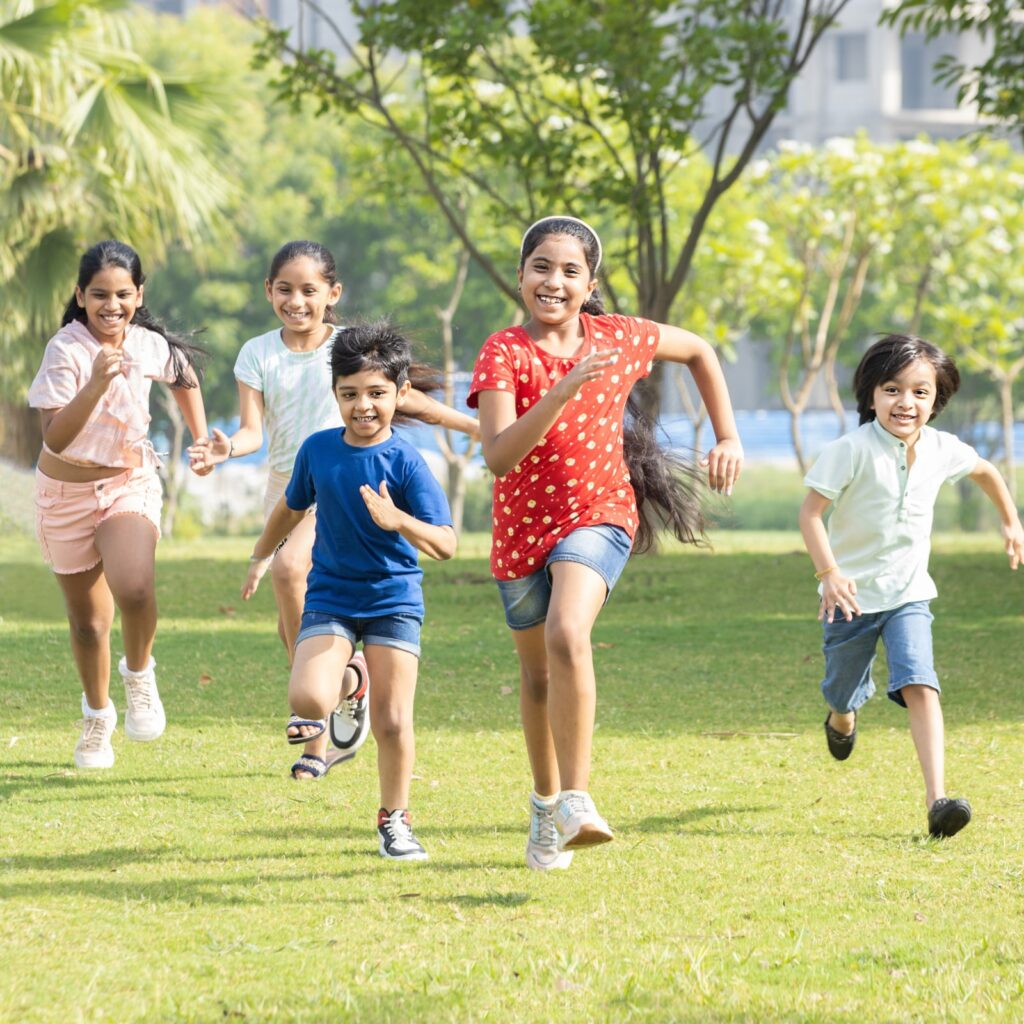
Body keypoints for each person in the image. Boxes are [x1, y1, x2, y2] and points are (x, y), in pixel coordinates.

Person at [468, 215, 744, 870]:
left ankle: (577, 798)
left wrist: (726, 435)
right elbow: (501, 457)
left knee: (569, 633)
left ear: (590, 282)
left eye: (570, 271)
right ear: (521, 274)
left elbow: (700, 350)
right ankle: (545, 807)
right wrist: (562, 390)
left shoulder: (619, 337)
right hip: (519, 533)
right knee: (536, 678)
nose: (554, 281)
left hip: (599, 515)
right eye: (541, 266)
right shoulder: (503, 351)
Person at [188, 240, 478, 780]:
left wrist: (477, 428)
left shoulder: (349, 349)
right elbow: (253, 431)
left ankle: (320, 723)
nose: (296, 300)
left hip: (340, 480)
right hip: (290, 479)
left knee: (289, 567)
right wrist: (226, 449)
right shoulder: (256, 353)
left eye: (309, 290)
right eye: (284, 289)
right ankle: (341, 688)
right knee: (290, 620)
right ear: (268, 291)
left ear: (332, 293)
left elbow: (408, 398)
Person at [242, 320, 456, 860]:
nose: (364, 406)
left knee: (392, 721)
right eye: (350, 394)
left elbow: (447, 543)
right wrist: (260, 556)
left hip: (393, 600)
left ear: (400, 394)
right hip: (332, 596)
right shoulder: (318, 451)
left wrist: (398, 520)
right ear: (333, 393)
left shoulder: (407, 460)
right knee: (306, 699)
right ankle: (351, 679)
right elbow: (289, 509)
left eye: (377, 394)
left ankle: (395, 820)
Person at [799, 333, 1023, 839]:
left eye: (921, 392)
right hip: (849, 599)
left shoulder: (943, 449)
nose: (907, 402)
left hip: (909, 595)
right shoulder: (851, 449)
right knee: (842, 689)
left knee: (921, 683)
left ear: (936, 399)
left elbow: (985, 471)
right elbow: (811, 513)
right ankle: (842, 718)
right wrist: (829, 573)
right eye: (893, 389)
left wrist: (1011, 521)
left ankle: (937, 801)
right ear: (872, 394)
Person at [28, 240, 212, 769]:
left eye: (124, 295)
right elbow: (56, 438)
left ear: (139, 295)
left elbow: (183, 373)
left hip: (128, 481)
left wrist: (201, 440)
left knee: (134, 585)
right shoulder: (66, 350)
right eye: (100, 295)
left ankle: (139, 675)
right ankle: (96, 715)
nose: (112, 305)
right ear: (81, 296)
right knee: (89, 624)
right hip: (65, 495)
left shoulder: (146, 342)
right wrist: (95, 383)